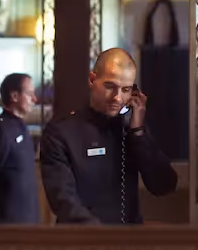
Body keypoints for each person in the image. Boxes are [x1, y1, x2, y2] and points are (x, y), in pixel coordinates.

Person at [39, 48, 177, 224]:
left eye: (125, 89)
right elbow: (64, 203)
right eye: (110, 86)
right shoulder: (61, 132)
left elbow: (164, 185)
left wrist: (139, 133)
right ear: (92, 79)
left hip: (129, 245)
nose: (117, 98)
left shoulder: (132, 128)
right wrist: (107, 238)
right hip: (82, 245)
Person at [0, 72, 40, 224]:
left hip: (27, 222)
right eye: (29, 94)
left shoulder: (21, 127)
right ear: (14, 96)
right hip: (6, 225)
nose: (34, 99)